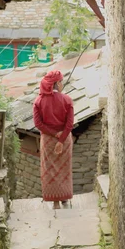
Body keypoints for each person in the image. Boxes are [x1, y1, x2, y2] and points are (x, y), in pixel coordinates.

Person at [33, 70, 74, 210]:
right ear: (57, 83)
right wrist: (61, 139)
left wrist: (54, 134)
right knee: (64, 169)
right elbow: (70, 124)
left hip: (48, 141)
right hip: (64, 141)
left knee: (49, 170)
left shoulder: (38, 101)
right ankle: (64, 199)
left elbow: (38, 124)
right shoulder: (67, 100)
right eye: (61, 81)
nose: (62, 84)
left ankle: (55, 202)